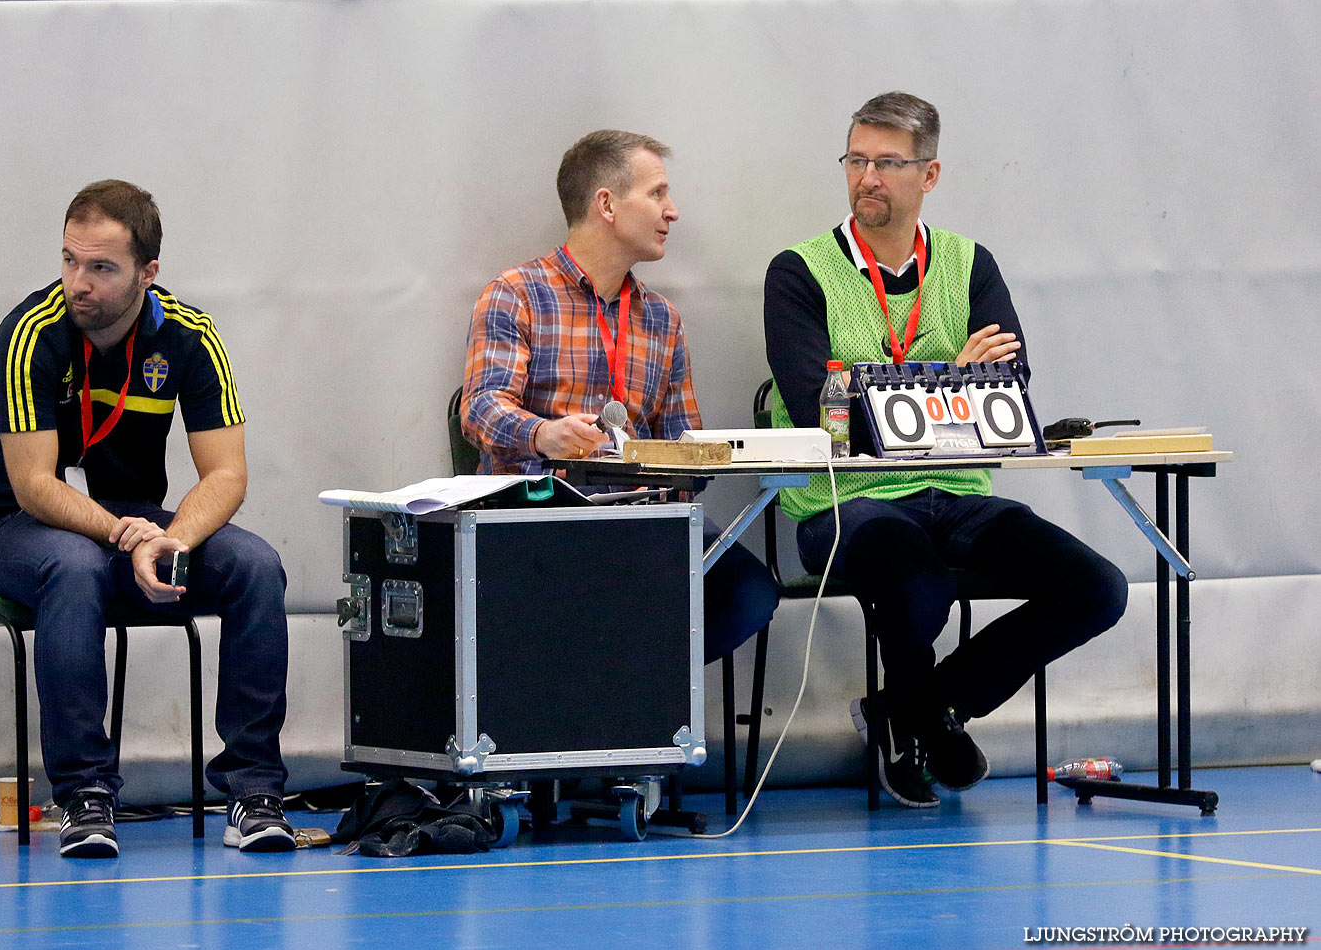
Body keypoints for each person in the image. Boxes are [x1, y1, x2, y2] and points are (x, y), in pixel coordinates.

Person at [763, 93, 1127, 808]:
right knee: (916, 578)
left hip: (957, 494)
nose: (867, 177)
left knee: (1098, 588)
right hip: (845, 500)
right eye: (856, 159)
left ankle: (918, 710)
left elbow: (1007, 393)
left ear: (928, 175)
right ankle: (924, 720)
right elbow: (823, 411)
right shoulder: (798, 272)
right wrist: (953, 380)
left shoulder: (968, 263)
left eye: (888, 163)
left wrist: (887, 391)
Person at [0, 180, 294, 857]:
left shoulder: (189, 335)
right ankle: (85, 796)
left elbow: (228, 474)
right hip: (25, 530)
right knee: (75, 565)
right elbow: (31, 486)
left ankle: (254, 791)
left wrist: (172, 540)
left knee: (257, 566)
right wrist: (126, 536)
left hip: (141, 525)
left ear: (148, 273)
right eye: (68, 260)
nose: (76, 283)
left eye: (101, 268)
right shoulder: (32, 333)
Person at [461, 129, 779, 664]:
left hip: (640, 525)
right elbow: (481, 408)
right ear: (606, 204)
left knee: (748, 592)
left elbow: (685, 447)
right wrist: (545, 434)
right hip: (539, 524)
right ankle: (612, 703)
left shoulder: (662, 320)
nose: (672, 211)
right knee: (598, 594)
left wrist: (697, 462)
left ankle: (634, 698)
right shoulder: (517, 294)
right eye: (657, 193)